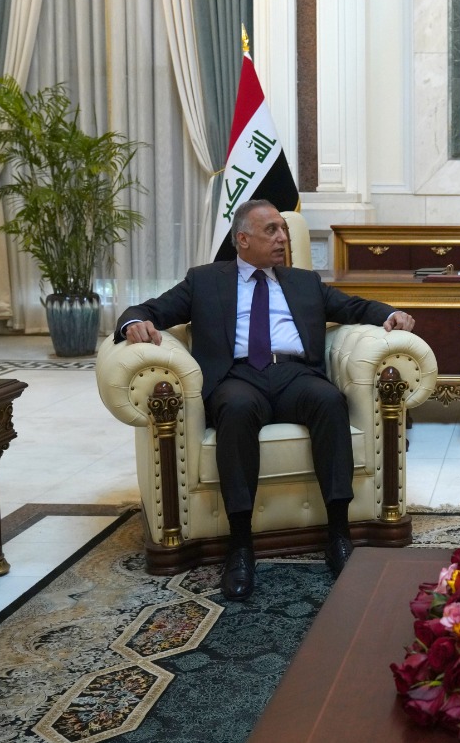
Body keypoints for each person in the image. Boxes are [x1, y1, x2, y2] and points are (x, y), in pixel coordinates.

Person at [115, 199, 415, 601]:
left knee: (329, 401)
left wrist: (390, 313)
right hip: (237, 376)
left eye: (283, 230)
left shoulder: (303, 281)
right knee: (236, 409)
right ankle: (241, 545)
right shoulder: (205, 281)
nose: (282, 238)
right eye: (271, 230)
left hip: (295, 374)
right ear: (243, 239)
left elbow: (352, 306)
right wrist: (134, 323)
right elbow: (150, 309)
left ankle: (339, 533)